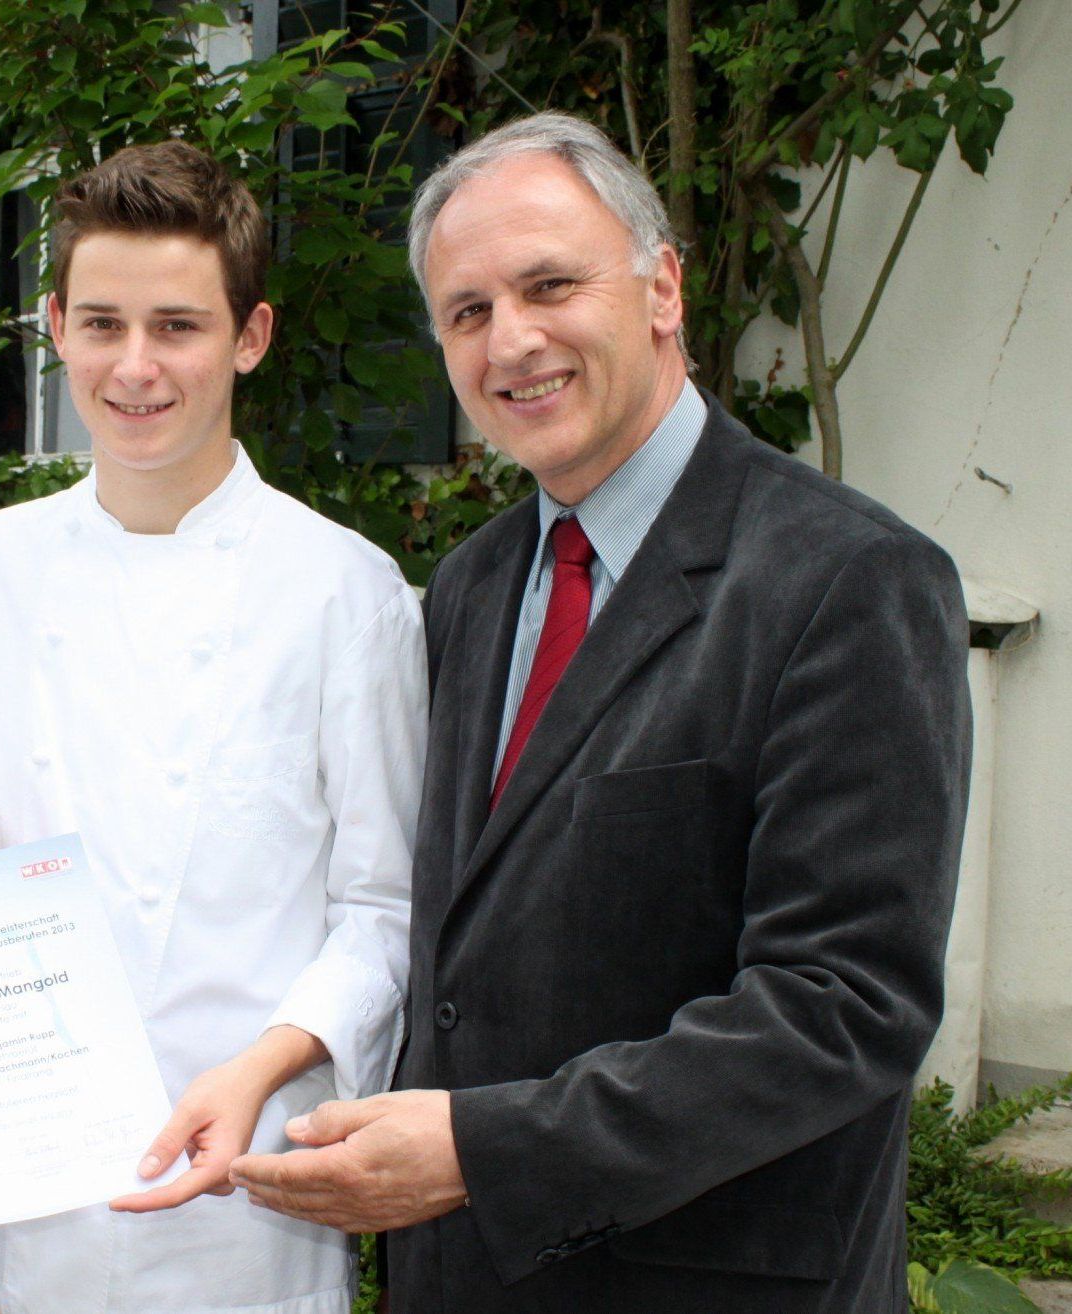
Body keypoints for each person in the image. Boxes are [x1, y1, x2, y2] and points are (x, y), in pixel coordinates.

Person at [229, 113, 973, 1314]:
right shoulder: (472, 587)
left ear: (662, 286)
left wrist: (485, 1151)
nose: (511, 339)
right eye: (467, 311)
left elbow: (845, 1007)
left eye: (550, 284)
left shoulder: (848, 581)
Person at [0, 140, 427, 1314]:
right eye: (102, 324)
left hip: (242, 1212)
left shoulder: (348, 593)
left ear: (251, 336)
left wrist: (263, 1067)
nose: (135, 367)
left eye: (178, 327)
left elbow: (384, 910)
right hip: (16, 1219)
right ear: (54, 326)